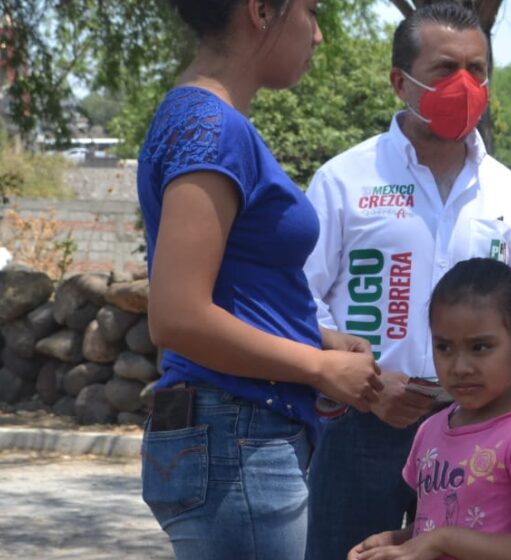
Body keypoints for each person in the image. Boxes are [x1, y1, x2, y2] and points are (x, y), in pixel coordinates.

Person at [302, 3, 511, 558]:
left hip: (483, 437)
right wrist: (368, 386)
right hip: (362, 432)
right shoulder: (344, 181)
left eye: (477, 70)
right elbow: (296, 300)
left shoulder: (507, 194)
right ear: (401, 82)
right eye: (446, 69)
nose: (465, 85)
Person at [136, 1, 384, 558]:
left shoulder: (204, 119)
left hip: (233, 432)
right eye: (312, 12)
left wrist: (317, 337)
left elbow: (232, 288)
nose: (318, 36)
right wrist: (321, 368)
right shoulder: (212, 127)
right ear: (261, 10)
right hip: (239, 438)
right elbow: (177, 315)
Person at [347, 258, 511, 560]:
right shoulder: (429, 430)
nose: (460, 367)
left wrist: (443, 540)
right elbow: (431, 527)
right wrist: (396, 542)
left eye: (479, 347)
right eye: (444, 347)